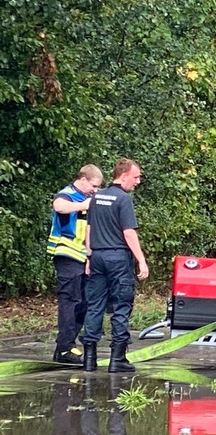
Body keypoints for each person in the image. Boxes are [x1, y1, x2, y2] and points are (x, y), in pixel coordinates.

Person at [81, 159, 149, 373]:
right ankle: (117, 358)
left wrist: (89, 258)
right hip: (118, 258)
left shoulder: (95, 197)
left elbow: (88, 230)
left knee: (95, 306)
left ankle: (89, 360)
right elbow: (129, 232)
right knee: (121, 306)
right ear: (124, 175)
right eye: (136, 177)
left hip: (98, 256)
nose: (138, 181)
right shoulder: (123, 199)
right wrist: (141, 260)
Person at [47, 164, 103, 365]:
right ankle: (64, 348)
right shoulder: (68, 194)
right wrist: (85, 205)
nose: (95, 191)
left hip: (82, 257)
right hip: (66, 254)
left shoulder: (86, 197)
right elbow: (59, 206)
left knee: (84, 302)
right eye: (94, 186)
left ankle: (69, 345)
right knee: (70, 301)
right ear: (83, 179)